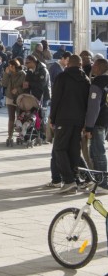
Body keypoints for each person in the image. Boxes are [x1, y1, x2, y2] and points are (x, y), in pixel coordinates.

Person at [49, 53, 90, 193]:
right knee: (74, 150)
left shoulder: (62, 77)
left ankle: (69, 180)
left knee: (59, 148)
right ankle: (78, 178)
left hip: (63, 118)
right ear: (80, 64)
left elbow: (56, 99)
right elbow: (87, 103)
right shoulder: (85, 80)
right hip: (78, 120)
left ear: (68, 64)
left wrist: (52, 118)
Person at [84, 56, 108, 192]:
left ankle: (103, 184)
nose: (92, 67)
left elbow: (94, 106)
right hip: (105, 120)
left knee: (98, 153)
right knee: (96, 151)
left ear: (98, 67)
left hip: (97, 121)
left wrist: (88, 126)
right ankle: (99, 181)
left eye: (94, 66)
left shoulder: (98, 82)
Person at [2, 58, 26, 146]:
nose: (9, 67)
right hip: (10, 97)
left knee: (20, 117)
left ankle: (20, 135)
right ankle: (10, 136)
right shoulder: (9, 74)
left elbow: (25, 86)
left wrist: (18, 89)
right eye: (9, 66)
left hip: (20, 98)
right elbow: (3, 84)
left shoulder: (23, 74)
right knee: (11, 117)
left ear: (15, 66)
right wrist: (6, 73)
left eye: (10, 66)